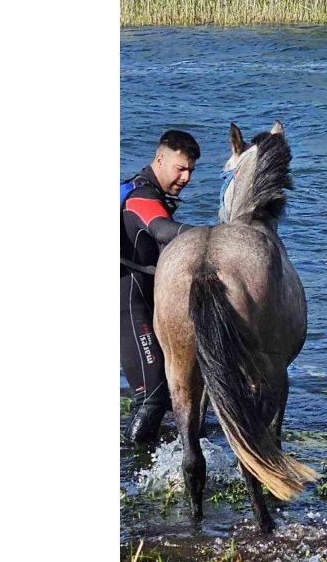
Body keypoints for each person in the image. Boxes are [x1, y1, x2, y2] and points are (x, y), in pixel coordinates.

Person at [121, 129, 200, 444]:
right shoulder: (141, 196)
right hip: (130, 307)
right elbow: (163, 230)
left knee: (170, 397)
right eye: (180, 168)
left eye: (191, 170)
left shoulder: (151, 192)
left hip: (146, 304)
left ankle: (159, 455)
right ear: (159, 159)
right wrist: (216, 236)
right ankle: (130, 463)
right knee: (152, 400)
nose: (186, 177)